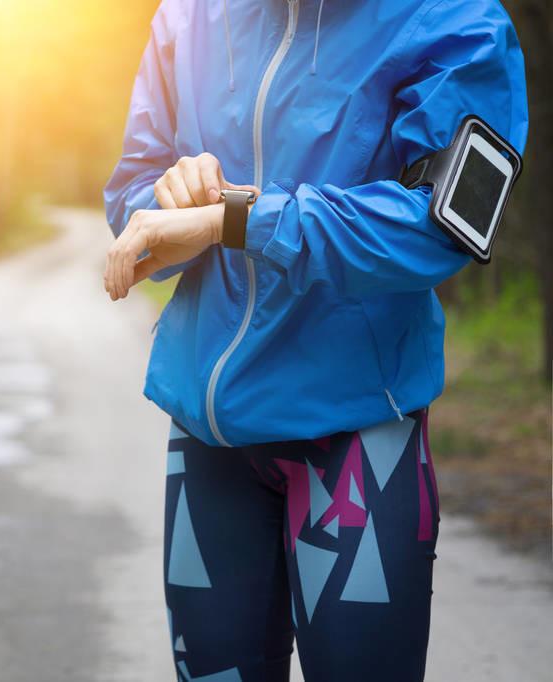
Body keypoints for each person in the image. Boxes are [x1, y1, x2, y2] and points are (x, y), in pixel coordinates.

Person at [102, 1, 528, 681]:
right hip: (207, 436)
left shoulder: (455, 19)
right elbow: (131, 202)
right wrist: (170, 204)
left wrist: (235, 220)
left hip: (355, 436)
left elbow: (439, 228)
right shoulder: (186, 17)